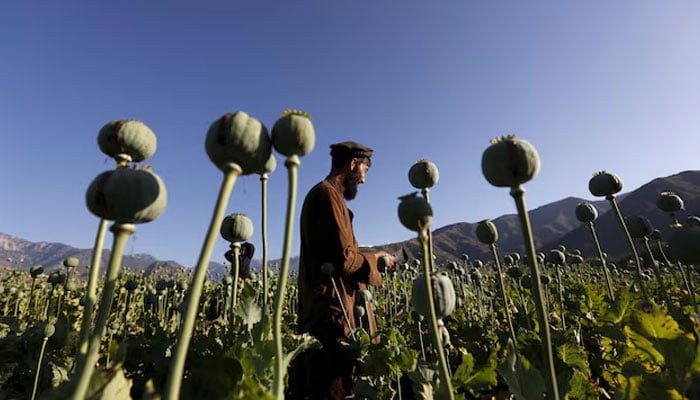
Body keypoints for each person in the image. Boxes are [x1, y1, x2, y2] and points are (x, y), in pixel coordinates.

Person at [288, 141, 396, 400]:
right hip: (331, 312)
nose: (363, 180)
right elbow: (345, 259)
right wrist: (377, 259)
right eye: (364, 171)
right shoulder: (327, 195)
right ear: (352, 164)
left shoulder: (327, 196)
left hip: (330, 308)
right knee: (332, 385)